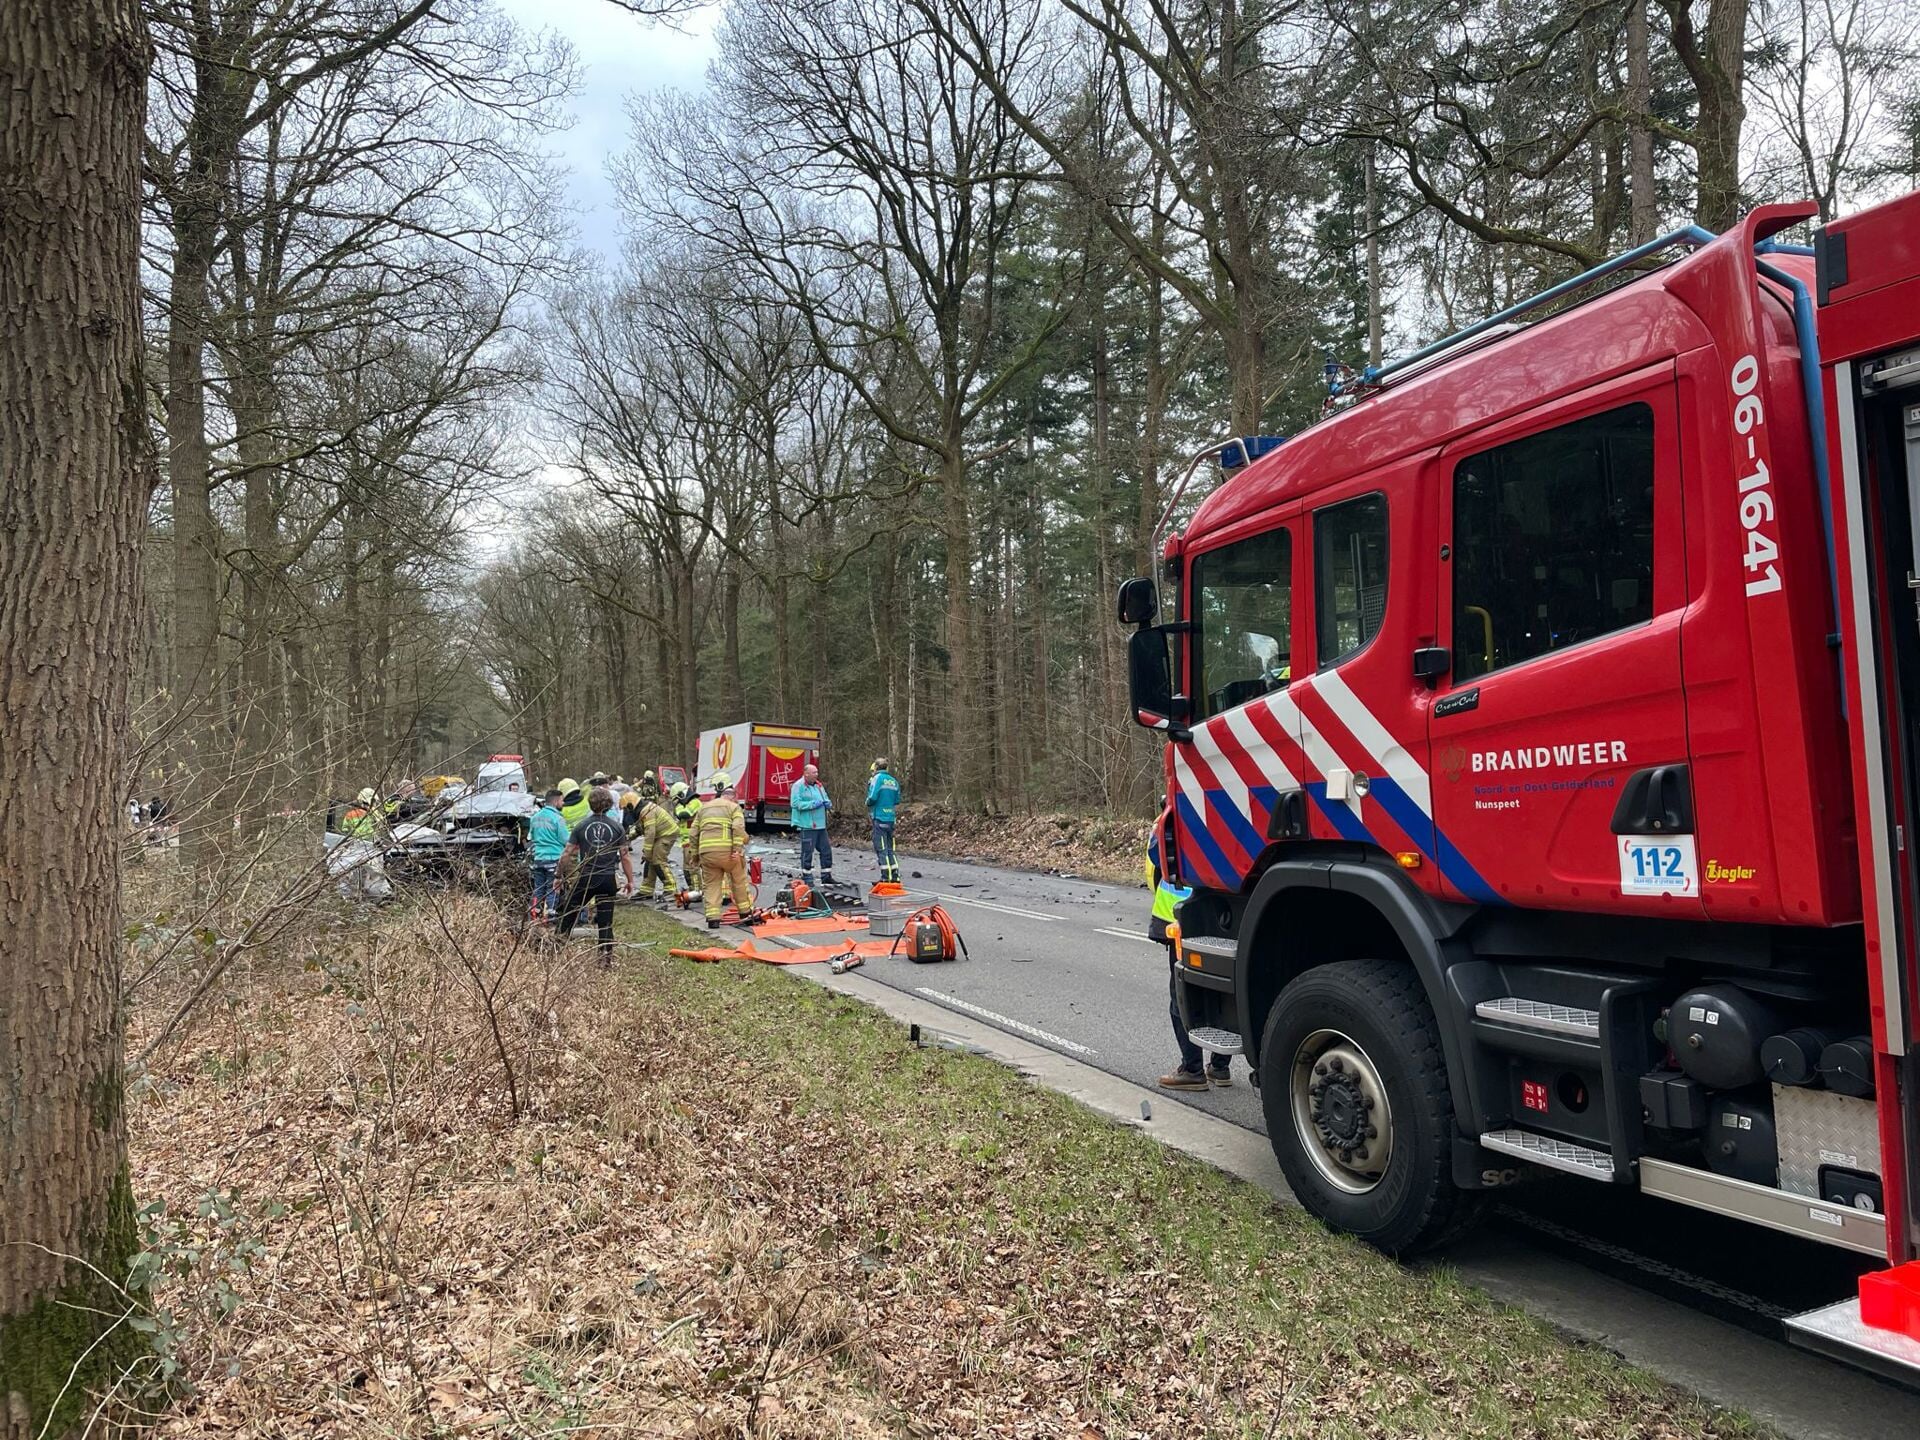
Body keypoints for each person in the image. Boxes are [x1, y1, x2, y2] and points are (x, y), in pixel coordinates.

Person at [1147, 819, 1231, 1090]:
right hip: (1225, 913)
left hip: (1181, 917)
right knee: (1223, 990)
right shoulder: (1229, 813)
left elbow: (1155, 854)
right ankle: (1220, 1067)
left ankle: (1192, 1069)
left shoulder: (1174, 817)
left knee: (1182, 994)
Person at [557, 785, 633, 965]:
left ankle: (557, 948)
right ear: (608, 804)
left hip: (587, 877)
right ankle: (605, 958)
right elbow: (625, 856)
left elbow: (567, 853)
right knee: (606, 921)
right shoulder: (616, 827)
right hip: (607, 878)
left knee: (569, 912)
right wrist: (630, 880)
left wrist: (558, 876)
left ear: (590, 804)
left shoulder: (581, 826)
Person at [694, 771, 752, 929]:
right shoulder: (734, 808)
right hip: (728, 854)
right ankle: (745, 914)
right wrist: (737, 849)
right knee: (738, 881)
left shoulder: (703, 808)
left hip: (707, 854)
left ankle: (713, 918)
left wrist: (695, 856)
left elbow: (693, 833)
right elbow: (738, 828)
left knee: (711, 885)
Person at [789, 763, 838, 888]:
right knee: (807, 852)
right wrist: (812, 804)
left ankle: (826, 877)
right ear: (806, 774)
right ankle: (808, 878)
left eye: (817, 772)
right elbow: (795, 804)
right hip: (808, 825)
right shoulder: (798, 786)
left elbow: (826, 798)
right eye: (814, 772)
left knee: (826, 851)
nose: (816, 774)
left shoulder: (818, 786)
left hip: (821, 825)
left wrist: (828, 804)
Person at [528, 788, 569, 920]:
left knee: (538, 888)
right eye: (562, 800)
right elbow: (566, 840)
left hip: (538, 858)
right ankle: (549, 915)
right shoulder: (558, 819)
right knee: (553, 888)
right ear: (556, 801)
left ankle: (535, 912)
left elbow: (532, 837)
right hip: (554, 858)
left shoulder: (534, 818)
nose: (563, 803)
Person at [635, 793, 679, 902]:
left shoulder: (646, 811)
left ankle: (671, 889)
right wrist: (626, 838)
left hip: (667, 834)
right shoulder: (643, 811)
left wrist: (646, 852)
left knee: (658, 860)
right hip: (660, 834)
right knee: (650, 860)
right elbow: (640, 829)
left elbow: (650, 833)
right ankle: (646, 890)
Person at [866, 758, 902, 883]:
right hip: (891, 818)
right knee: (890, 849)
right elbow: (897, 800)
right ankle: (895, 876)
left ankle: (886, 877)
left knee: (881, 849)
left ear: (876, 767)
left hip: (879, 817)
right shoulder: (894, 781)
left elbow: (872, 797)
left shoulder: (877, 779)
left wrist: (868, 802)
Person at [672, 781, 702, 891]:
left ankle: (697, 889)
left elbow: (685, 814)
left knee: (692, 867)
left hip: (693, 841)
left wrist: (677, 808)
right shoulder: (684, 805)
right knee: (687, 868)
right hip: (686, 842)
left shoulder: (695, 802)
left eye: (678, 799)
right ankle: (692, 888)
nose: (678, 802)